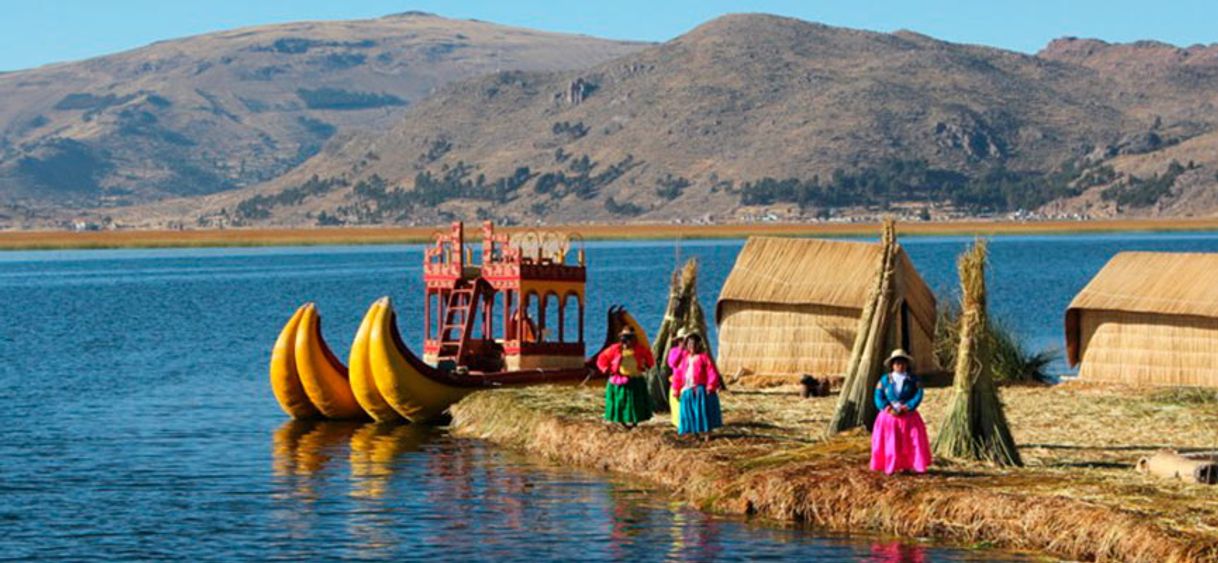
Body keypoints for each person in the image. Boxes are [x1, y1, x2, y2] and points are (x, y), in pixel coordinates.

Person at [870, 349, 932, 475]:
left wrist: (908, 406)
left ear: (907, 364)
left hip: (908, 417)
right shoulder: (884, 380)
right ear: (892, 365)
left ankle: (908, 466)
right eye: (897, 363)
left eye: (903, 363)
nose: (900, 365)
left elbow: (918, 394)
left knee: (910, 442)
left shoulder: (913, 380)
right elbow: (878, 395)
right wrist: (888, 408)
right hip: (888, 418)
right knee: (891, 442)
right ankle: (890, 466)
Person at [597, 326, 654, 428]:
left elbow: (649, 357)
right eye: (625, 337)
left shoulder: (639, 349)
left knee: (635, 403)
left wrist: (648, 364)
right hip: (620, 380)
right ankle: (621, 421)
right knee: (620, 402)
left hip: (635, 379)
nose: (627, 340)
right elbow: (602, 358)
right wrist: (605, 368)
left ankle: (634, 422)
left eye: (629, 337)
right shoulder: (615, 349)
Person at [671, 333, 722, 438]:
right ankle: (694, 432)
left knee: (702, 411)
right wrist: (676, 388)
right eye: (689, 344)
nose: (692, 346)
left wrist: (711, 385)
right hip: (687, 389)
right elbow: (679, 373)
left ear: (698, 345)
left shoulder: (703, 357)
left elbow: (711, 372)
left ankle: (707, 433)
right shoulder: (685, 358)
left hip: (700, 389)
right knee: (689, 412)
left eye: (694, 344)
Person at [665, 329, 690, 427]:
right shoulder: (674, 351)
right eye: (681, 340)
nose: (683, 343)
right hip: (676, 381)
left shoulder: (690, 352)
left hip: (688, 381)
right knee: (677, 404)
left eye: (685, 341)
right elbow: (672, 363)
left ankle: (688, 423)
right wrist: (680, 351)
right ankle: (679, 424)